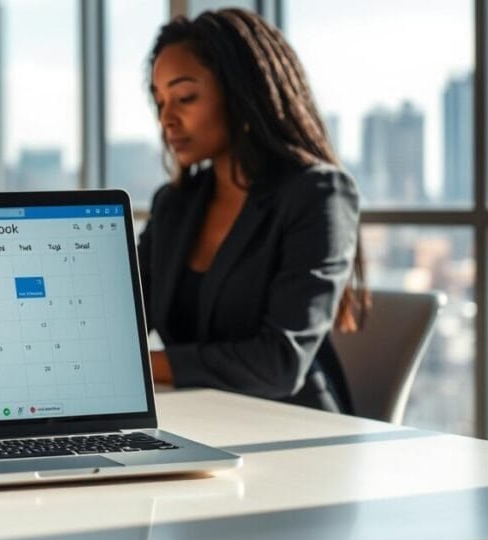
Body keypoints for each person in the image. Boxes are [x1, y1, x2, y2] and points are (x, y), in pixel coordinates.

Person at [138, 9, 367, 413]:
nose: (167, 119)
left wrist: (141, 366)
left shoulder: (317, 194)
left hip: (296, 432)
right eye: (160, 102)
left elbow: (278, 364)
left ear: (240, 91)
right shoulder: (174, 204)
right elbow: (123, 314)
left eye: (185, 97)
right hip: (200, 420)